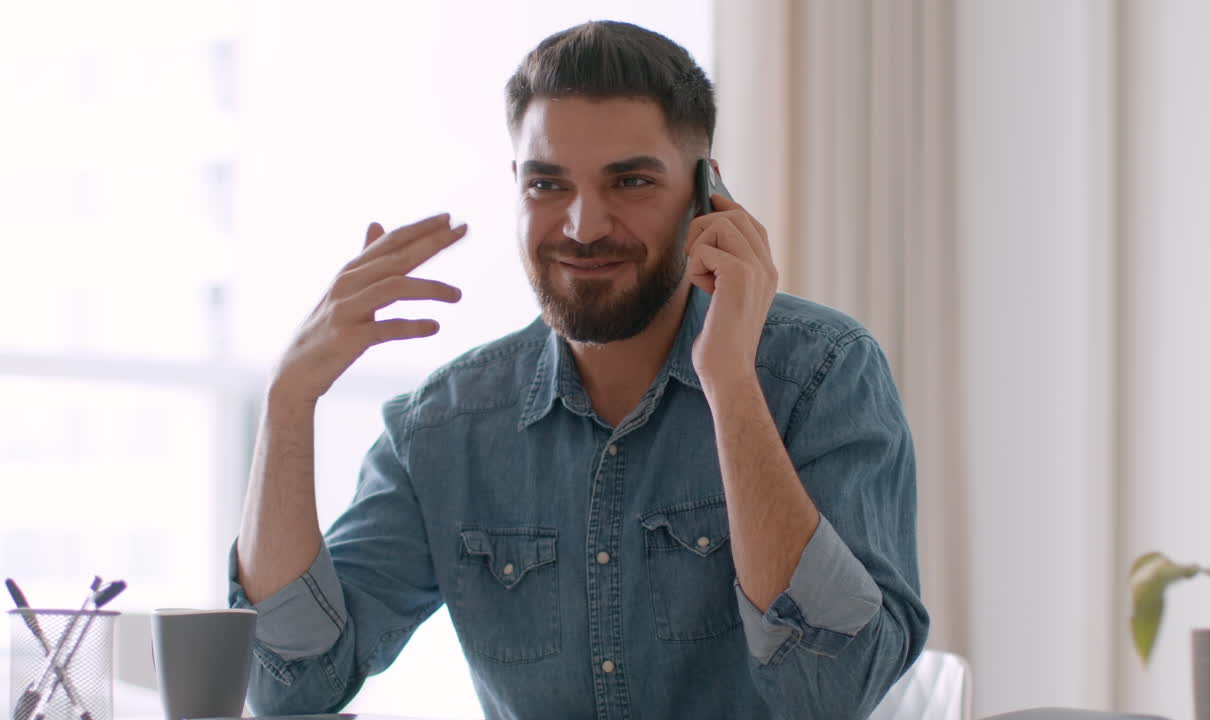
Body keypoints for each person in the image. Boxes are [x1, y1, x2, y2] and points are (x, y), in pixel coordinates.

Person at [230, 20, 928, 720]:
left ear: (704, 192)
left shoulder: (824, 373)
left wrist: (730, 383)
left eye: (629, 181)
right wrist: (290, 398)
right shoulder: (445, 428)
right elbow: (290, 687)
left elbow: (835, 692)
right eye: (548, 184)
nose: (583, 225)